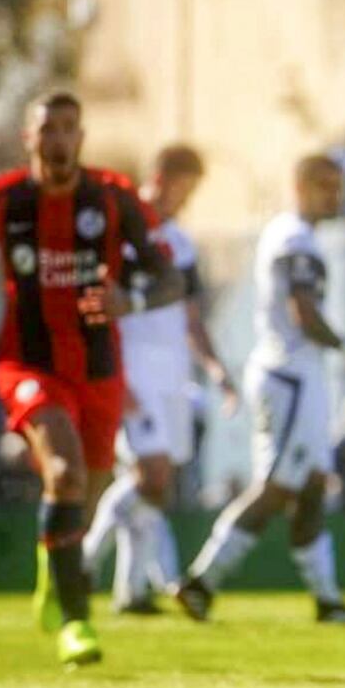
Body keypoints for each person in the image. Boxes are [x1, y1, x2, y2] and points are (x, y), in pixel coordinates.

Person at [0, 91, 184, 665]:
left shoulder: (113, 199)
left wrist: (128, 298)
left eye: (69, 128)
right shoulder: (1, 199)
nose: (58, 139)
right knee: (62, 474)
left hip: (98, 369)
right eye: (48, 129)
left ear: (81, 138)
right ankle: (76, 621)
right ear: (29, 138)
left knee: (83, 498)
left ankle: (53, 566)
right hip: (29, 364)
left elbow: (170, 280)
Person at [174, 155, 345, 625]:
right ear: (302, 186)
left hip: (298, 377)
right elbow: (303, 311)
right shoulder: (294, 239)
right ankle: (202, 580)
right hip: (289, 376)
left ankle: (327, 600)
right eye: (326, 186)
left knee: (309, 488)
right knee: (277, 487)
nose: (336, 196)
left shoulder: (294, 236)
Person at [81, 144, 239, 615]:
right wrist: (113, 373)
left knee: (153, 484)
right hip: (133, 370)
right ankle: (87, 561)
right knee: (151, 476)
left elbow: (190, 314)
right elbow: (101, 306)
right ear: (162, 176)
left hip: (172, 376)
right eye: (184, 187)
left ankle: (131, 590)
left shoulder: (181, 243)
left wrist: (214, 368)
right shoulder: (123, 235)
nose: (186, 199)